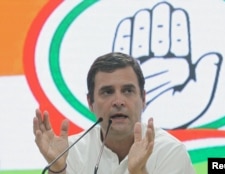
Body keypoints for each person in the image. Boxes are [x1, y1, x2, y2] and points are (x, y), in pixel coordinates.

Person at [33, 52, 195, 174]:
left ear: (143, 98)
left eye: (128, 90)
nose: (118, 101)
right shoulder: (71, 153)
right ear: (90, 102)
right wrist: (58, 169)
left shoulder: (169, 152)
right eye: (107, 92)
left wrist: (139, 171)